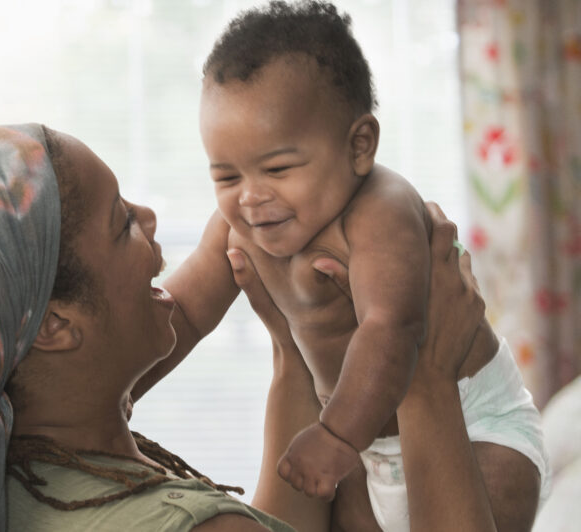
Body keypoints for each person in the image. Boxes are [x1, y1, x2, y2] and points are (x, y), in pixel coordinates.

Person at [0, 122, 504, 531]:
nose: (150, 217)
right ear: (55, 326)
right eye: (122, 223)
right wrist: (425, 375)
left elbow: (280, 522)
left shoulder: (0, 481)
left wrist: (294, 349)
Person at [197, 1, 548, 530]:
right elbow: (181, 306)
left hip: (473, 420)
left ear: (359, 146)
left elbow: (392, 326)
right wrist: (128, 387)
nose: (249, 197)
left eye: (277, 168)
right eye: (226, 177)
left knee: (494, 495)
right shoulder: (243, 226)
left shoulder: (381, 210)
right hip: (364, 445)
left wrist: (335, 436)